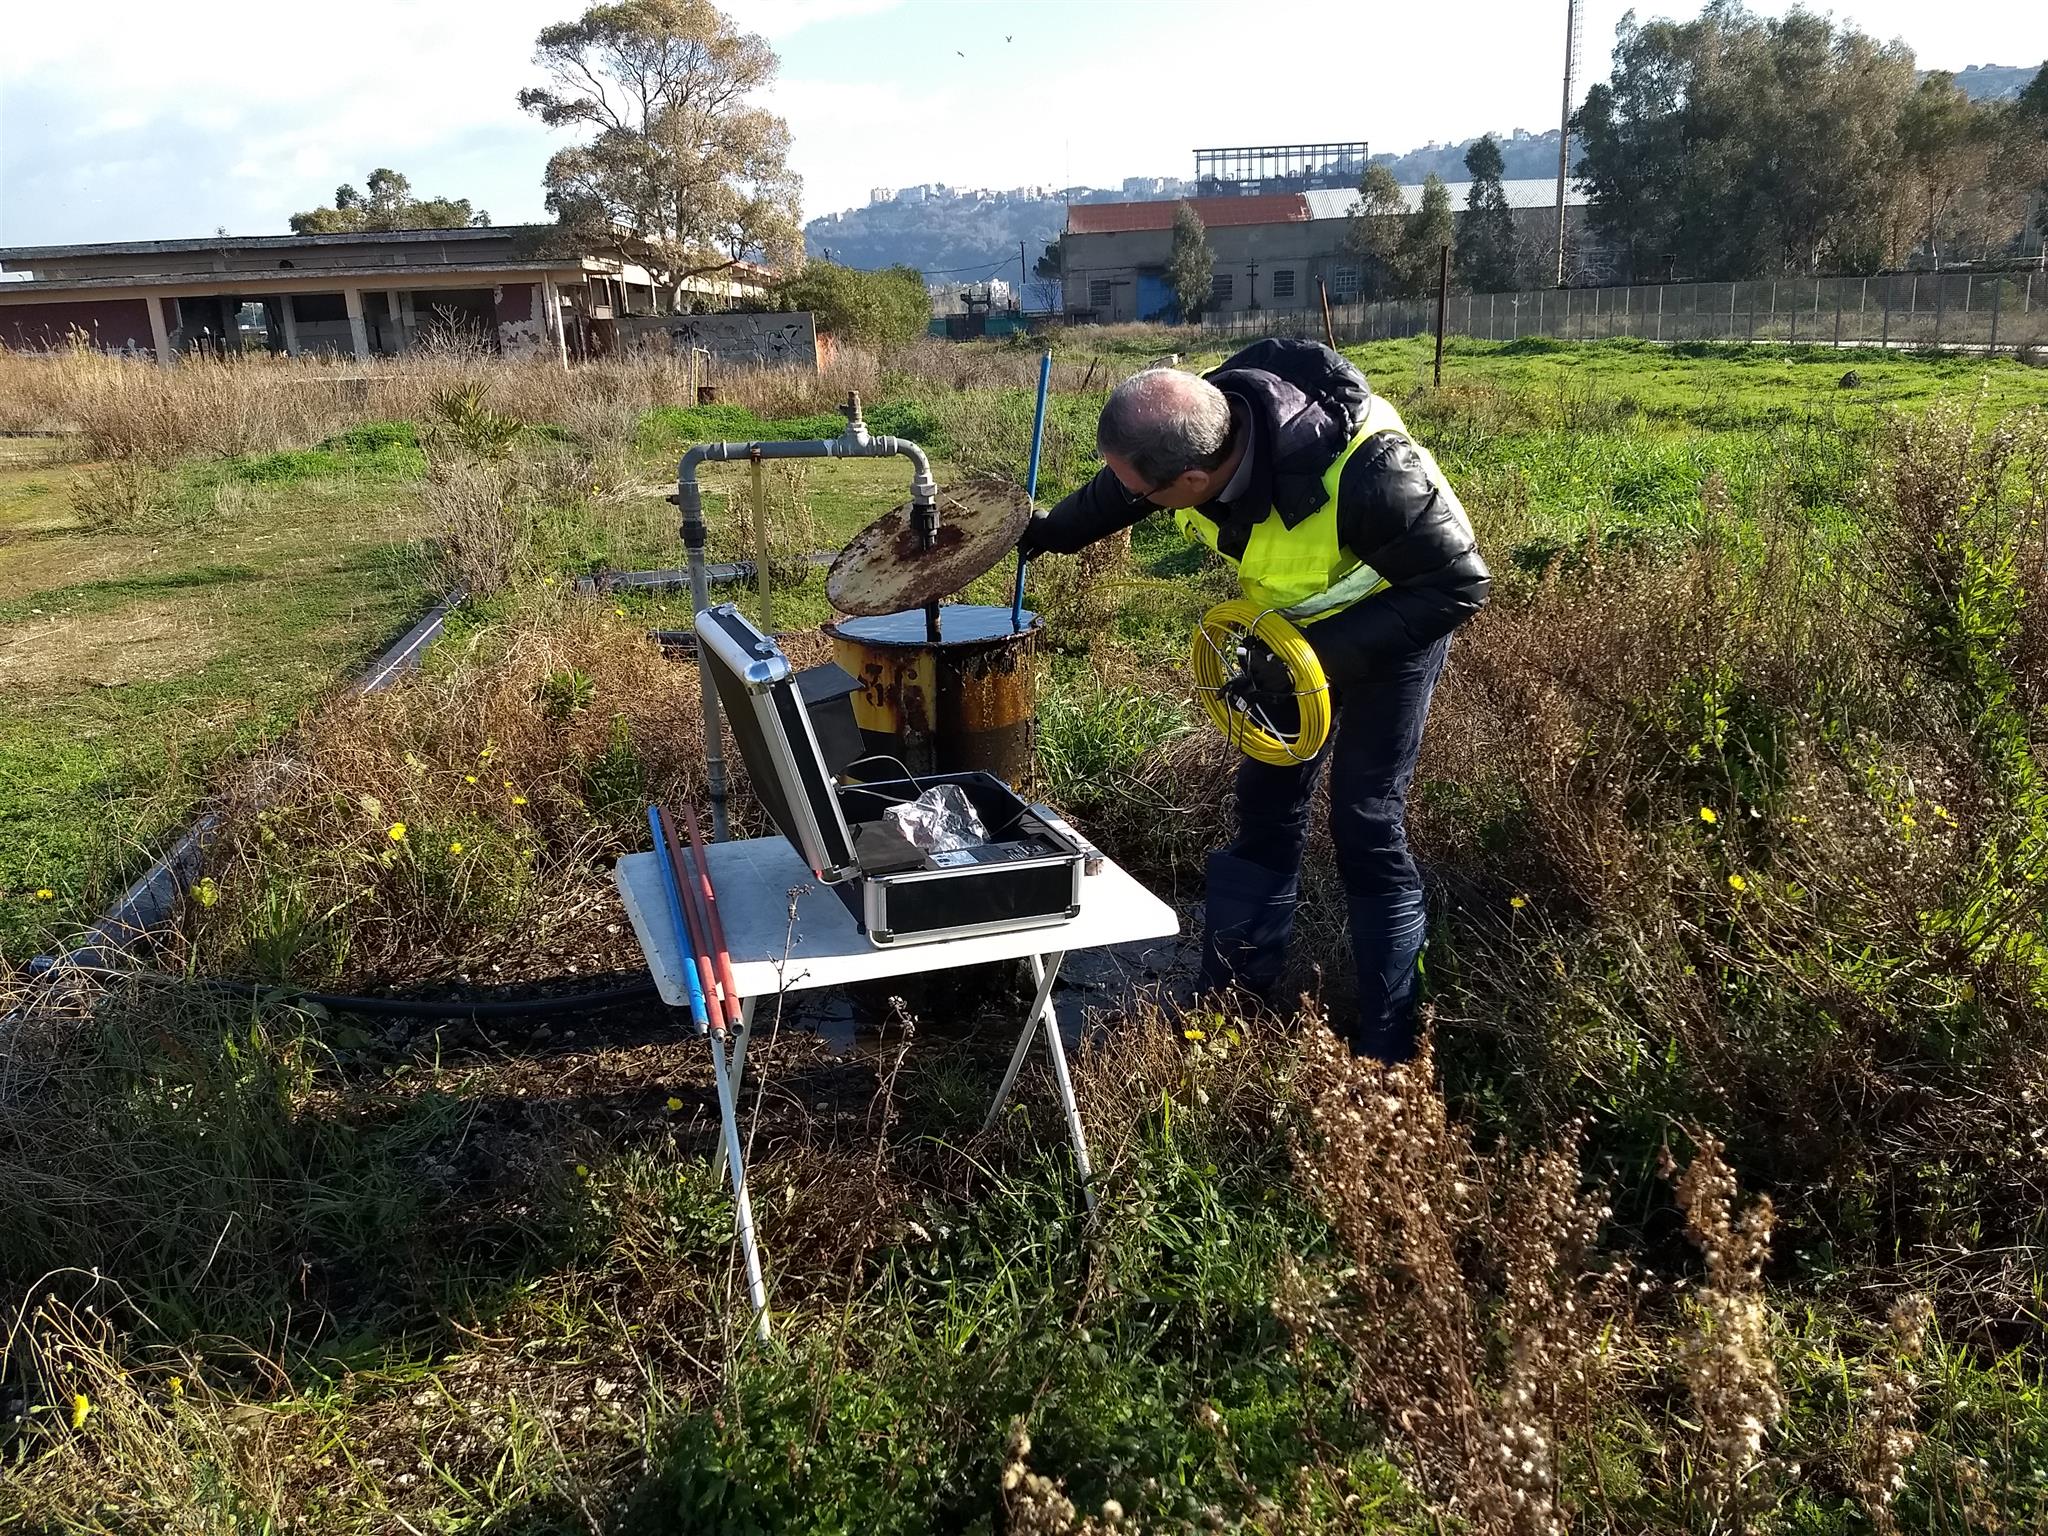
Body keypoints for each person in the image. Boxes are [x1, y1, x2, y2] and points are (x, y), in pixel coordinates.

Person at [1015, 339, 1489, 1062]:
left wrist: (1312, 660)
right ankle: (1233, 997)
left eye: (1147, 495)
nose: (1131, 502)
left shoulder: (1371, 473)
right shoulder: (1197, 426)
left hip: (1397, 623)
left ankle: (1392, 1041)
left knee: (1365, 821)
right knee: (1267, 803)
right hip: (1284, 637)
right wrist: (1049, 533)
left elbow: (1458, 585)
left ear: (1197, 477)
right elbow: (1121, 489)